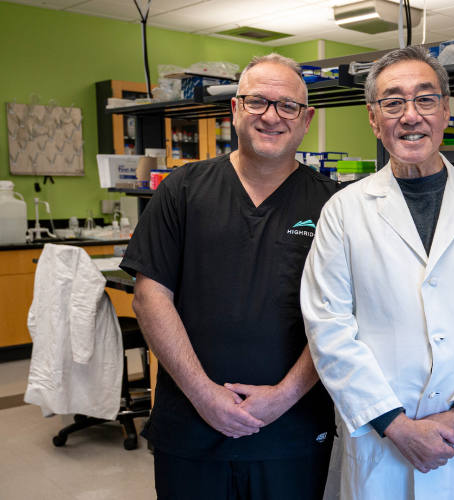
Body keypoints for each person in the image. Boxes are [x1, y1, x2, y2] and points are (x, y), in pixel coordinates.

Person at [301, 45, 454, 499]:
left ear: (445, 110)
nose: (410, 116)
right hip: (382, 444)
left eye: (425, 99)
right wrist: (394, 424)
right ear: (373, 117)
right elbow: (328, 327)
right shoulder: (343, 212)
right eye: (393, 101)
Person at [121, 53, 337, 500]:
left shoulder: (334, 206)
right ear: (236, 109)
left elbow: (343, 316)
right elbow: (149, 297)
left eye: (287, 105)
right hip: (192, 427)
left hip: (291, 429)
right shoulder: (181, 190)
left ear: (306, 118)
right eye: (257, 101)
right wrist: (204, 395)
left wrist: (282, 396)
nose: (271, 116)